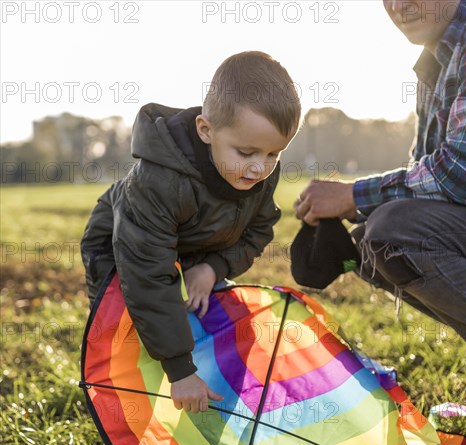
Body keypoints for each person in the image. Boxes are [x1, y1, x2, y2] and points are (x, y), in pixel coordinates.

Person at [294, 0, 466, 445]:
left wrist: (351, 196)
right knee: (370, 246)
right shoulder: (442, 53)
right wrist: (346, 221)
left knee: (396, 233)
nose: (399, 4)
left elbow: (464, 175)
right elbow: (428, 179)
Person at [81, 51, 301, 413]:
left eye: (274, 154)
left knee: (221, 321)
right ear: (205, 130)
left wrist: (213, 267)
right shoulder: (160, 182)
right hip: (123, 247)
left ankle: (217, 406)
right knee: (126, 333)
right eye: (247, 152)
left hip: (196, 246)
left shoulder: (257, 172)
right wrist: (179, 368)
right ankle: (127, 417)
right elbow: (148, 273)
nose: (260, 168)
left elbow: (258, 232)